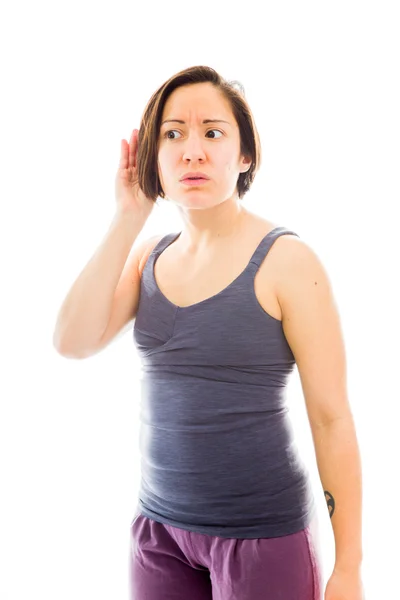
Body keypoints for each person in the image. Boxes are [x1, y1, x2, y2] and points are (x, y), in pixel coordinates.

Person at [54, 65, 327, 599]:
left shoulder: (287, 260)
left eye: (212, 132)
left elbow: (332, 417)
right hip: (159, 533)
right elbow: (72, 341)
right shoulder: (148, 256)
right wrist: (128, 216)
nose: (192, 151)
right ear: (153, 156)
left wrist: (351, 566)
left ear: (244, 155)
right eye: (172, 134)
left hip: (262, 535)